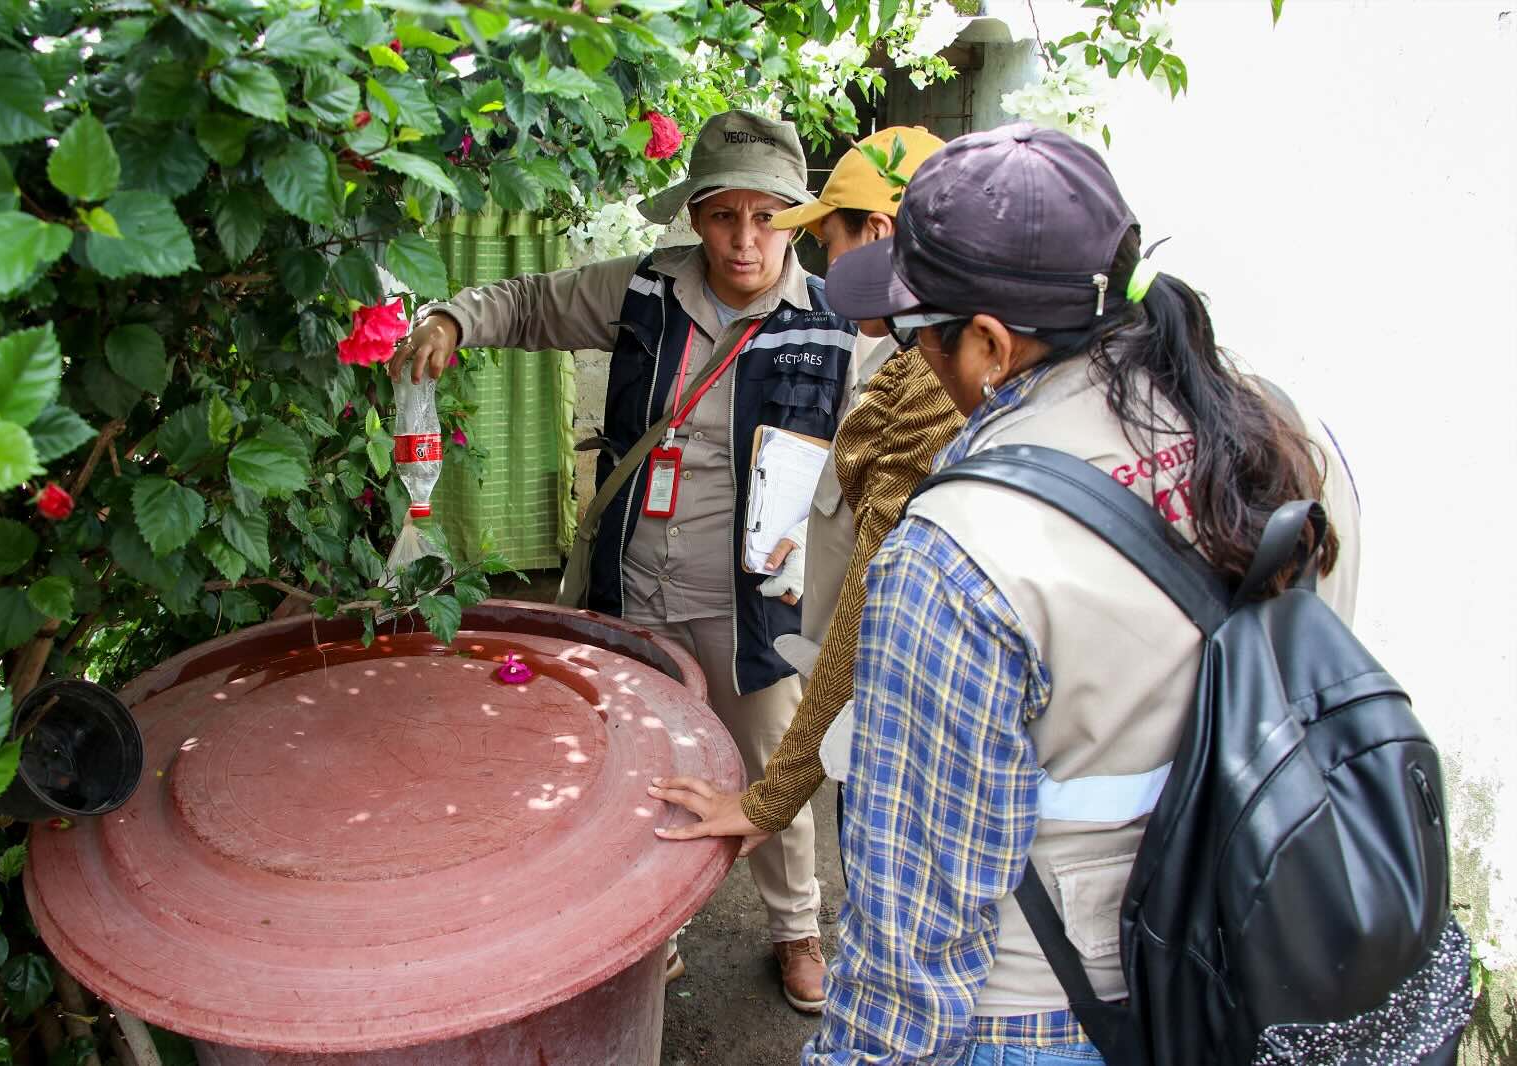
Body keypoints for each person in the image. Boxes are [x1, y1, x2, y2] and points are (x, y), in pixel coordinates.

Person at [799, 124, 1361, 1064]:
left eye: (914, 332)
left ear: (985, 342)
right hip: (1249, 966)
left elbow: (912, 948)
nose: (910, 356)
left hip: (1046, 1013)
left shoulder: (957, 552)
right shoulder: (1285, 434)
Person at [390, 110, 857, 1011]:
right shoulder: (645, 291)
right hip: (635, 580)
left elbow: (880, 443)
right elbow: (529, 301)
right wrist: (451, 316)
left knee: (775, 766)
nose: (745, 239)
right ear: (698, 215)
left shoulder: (839, 324)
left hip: (755, 596)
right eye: (726, 215)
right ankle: (659, 926)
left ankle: (797, 928)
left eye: (768, 217)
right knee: (644, 756)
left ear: (794, 221)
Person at [646, 127, 962, 889]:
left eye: (825, 240)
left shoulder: (936, 386)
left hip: (927, 730)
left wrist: (773, 797)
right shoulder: (922, 363)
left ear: (879, 236)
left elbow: (865, 601)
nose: (814, 263)